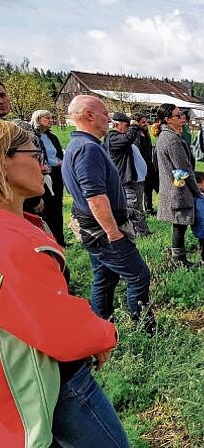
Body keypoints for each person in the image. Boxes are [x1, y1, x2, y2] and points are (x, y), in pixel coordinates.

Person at [0, 120, 128, 447]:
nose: (44, 165)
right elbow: (53, 323)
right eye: (34, 153)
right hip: (54, 379)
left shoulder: (19, 226)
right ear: (4, 160)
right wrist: (102, 335)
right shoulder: (14, 242)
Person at [62, 95, 155, 334]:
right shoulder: (87, 149)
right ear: (88, 115)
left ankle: (100, 328)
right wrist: (113, 233)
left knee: (105, 278)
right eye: (105, 113)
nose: (110, 119)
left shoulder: (81, 145)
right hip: (103, 231)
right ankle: (145, 331)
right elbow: (95, 197)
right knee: (139, 276)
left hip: (95, 229)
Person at [153, 103, 201, 268]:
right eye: (178, 115)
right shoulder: (171, 140)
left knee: (179, 224)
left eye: (181, 114)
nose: (182, 118)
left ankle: (178, 258)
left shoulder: (167, 136)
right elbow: (182, 169)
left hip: (174, 186)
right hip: (177, 187)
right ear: (167, 119)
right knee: (180, 224)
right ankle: (179, 261)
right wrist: (195, 190)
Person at [104, 112, 152, 237]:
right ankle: (142, 233)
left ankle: (138, 231)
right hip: (128, 180)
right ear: (116, 124)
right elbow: (128, 138)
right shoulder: (113, 137)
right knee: (134, 207)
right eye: (126, 125)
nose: (128, 129)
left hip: (134, 179)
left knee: (136, 207)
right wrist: (134, 126)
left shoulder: (119, 137)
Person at [30, 109, 66, 246]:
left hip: (56, 174)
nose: (51, 120)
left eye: (52, 118)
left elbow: (57, 155)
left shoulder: (52, 137)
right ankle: (50, 240)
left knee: (58, 205)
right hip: (42, 176)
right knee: (47, 207)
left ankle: (61, 239)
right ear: (38, 120)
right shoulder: (32, 136)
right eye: (47, 118)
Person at [133, 112, 157, 215]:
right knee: (141, 188)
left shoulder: (146, 134)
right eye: (142, 122)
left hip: (149, 163)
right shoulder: (135, 135)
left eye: (146, 122)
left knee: (149, 187)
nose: (145, 124)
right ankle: (139, 210)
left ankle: (149, 208)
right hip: (141, 164)